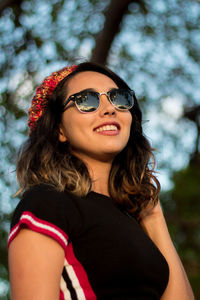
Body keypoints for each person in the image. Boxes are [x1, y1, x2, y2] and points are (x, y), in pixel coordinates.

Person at [8, 62, 194, 300]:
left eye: (119, 98)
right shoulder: (47, 204)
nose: (109, 109)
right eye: (86, 100)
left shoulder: (135, 221)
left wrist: (153, 215)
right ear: (59, 130)